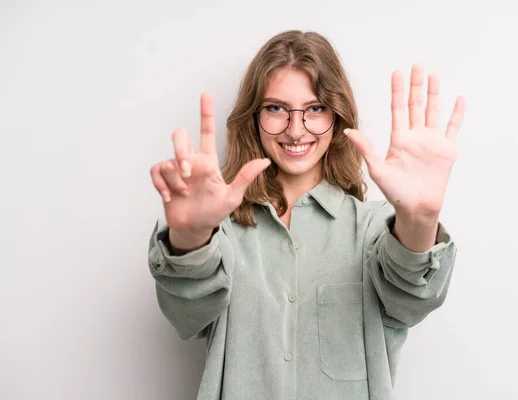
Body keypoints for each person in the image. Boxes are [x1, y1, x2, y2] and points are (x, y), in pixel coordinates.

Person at [147, 30, 465, 400]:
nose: (295, 130)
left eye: (314, 109)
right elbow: (187, 313)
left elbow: (411, 297)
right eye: (276, 108)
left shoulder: (376, 230)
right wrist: (190, 239)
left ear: (337, 115)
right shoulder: (223, 233)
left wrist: (420, 220)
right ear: (254, 116)